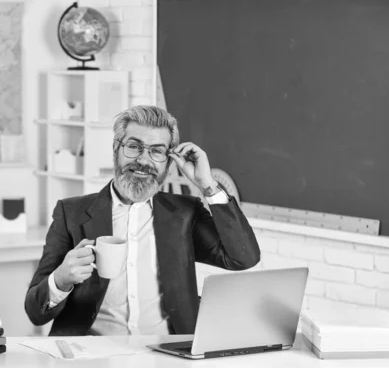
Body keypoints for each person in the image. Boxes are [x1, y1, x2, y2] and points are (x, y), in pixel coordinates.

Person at [24, 105, 260, 336]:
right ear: (116, 149)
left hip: (168, 356)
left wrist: (207, 184)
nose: (143, 160)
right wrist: (61, 279)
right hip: (92, 357)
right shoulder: (71, 213)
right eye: (134, 146)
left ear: (169, 161)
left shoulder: (185, 213)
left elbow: (243, 258)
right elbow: (35, 312)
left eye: (156, 151)